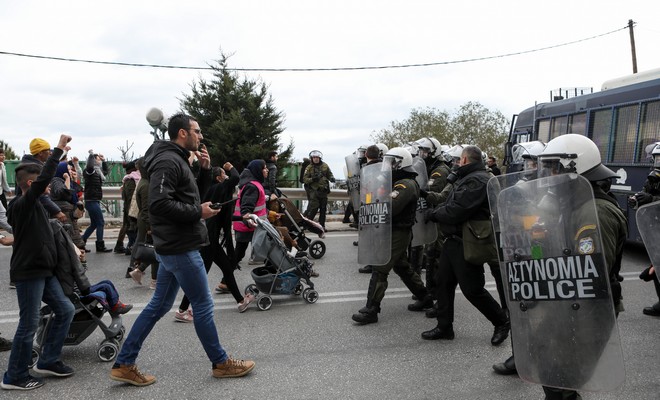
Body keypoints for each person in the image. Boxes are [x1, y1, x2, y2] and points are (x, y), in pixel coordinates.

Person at [110, 113, 254, 386]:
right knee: (202, 304)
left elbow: (189, 197)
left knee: (159, 305)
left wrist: (203, 171)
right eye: (197, 131)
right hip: (180, 245)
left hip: (174, 243)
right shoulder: (168, 160)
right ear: (182, 133)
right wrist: (197, 212)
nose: (201, 136)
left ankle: (124, 363)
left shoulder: (177, 159)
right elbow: (159, 204)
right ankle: (221, 363)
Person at [2, 134, 76, 391]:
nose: (48, 186)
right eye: (42, 183)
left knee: (66, 310)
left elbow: (30, 235)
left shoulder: (33, 206)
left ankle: (49, 360)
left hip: (43, 270)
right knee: (28, 323)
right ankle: (14, 376)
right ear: (32, 183)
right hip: (29, 272)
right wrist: (57, 149)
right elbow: (43, 180)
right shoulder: (23, 203)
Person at [421, 145, 510, 345]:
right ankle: (444, 327)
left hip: (467, 241)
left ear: (465, 160)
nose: (455, 163)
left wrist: (434, 214)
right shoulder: (467, 178)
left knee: (472, 290)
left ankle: (501, 321)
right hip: (454, 240)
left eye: (458, 160)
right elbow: (450, 202)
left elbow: (457, 209)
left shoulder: (477, 180)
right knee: (443, 283)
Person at [351, 147, 432, 325]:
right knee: (402, 267)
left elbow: (391, 207)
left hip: (399, 231)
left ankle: (371, 310)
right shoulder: (394, 181)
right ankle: (425, 297)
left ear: (400, 163)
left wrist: (381, 194)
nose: (387, 165)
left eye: (391, 162)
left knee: (380, 268)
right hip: (391, 230)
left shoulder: (406, 184)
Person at [175, 162, 254, 320]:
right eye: (223, 176)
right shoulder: (219, 188)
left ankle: (240, 301)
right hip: (209, 240)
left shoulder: (211, 191)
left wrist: (242, 217)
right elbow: (236, 177)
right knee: (200, 276)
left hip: (209, 238)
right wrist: (230, 167)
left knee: (226, 268)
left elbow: (223, 215)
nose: (226, 178)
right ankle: (182, 310)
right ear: (219, 178)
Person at [628, 142, 660, 316]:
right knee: (656, 264)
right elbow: (645, 194)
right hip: (656, 227)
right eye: (657, 159)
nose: (658, 163)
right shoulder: (654, 179)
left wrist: (652, 198)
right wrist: (638, 200)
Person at [16, 138, 67, 224]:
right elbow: (40, 193)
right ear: (40, 153)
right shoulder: (33, 168)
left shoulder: (25, 165)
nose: (50, 152)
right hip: (34, 211)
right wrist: (56, 211)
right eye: (48, 150)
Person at [127, 159, 159, 289]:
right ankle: (154, 281)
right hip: (148, 221)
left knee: (153, 250)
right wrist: (150, 227)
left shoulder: (144, 182)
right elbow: (146, 209)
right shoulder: (146, 185)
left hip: (145, 220)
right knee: (156, 251)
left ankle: (138, 271)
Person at [233, 159, 269, 265]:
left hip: (252, 225)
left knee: (240, 254)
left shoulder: (254, 184)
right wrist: (249, 221)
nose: (267, 170)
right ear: (258, 170)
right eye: (264, 168)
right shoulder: (252, 186)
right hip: (248, 226)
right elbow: (246, 208)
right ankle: (226, 279)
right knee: (239, 254)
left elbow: (258, 206)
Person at [49, 161, 87, 254]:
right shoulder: (56, 181)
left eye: (70, 170)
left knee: (72, 242)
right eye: (68, 170)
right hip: (63, 214)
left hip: (69, 214)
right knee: (67, 242)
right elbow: (63, 193)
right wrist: (67, 179)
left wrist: (72, 180)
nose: (70, 172)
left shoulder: (63, 180)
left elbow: (74, 195)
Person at [81, 150, 112, 252]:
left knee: (95, 223)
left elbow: (106, 172)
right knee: (100, 222)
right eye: (98, 159)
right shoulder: (89, 171)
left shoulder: (98, 172)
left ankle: (81, 242)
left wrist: (104, 161)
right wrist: (90, 155)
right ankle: (100, 246)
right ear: (93, 161)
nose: (99, 161)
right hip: (91, 200)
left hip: (95, 199)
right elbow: (90, 166)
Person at [303, 150, 335, 230]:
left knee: (323, 209)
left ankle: (322, 226)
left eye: (317, 157)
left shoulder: (325, 166)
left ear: (320, 158)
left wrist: (332, 178)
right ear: (311, 158)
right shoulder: (309, 167)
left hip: (323, 190)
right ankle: (308, 224)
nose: (315, 159)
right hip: (314, 191)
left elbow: (329, 174)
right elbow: (305, 179)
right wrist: (313, 179)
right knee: (314, 208)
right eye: (314, 157)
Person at [114, 161, 140, 254]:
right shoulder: (131, 179)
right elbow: (130, 196)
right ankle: (130, 247)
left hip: (129, 206)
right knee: (130, 226)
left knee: (126, 225)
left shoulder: (129, 179)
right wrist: (131, 209)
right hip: (130, 206)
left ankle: (120, 245)